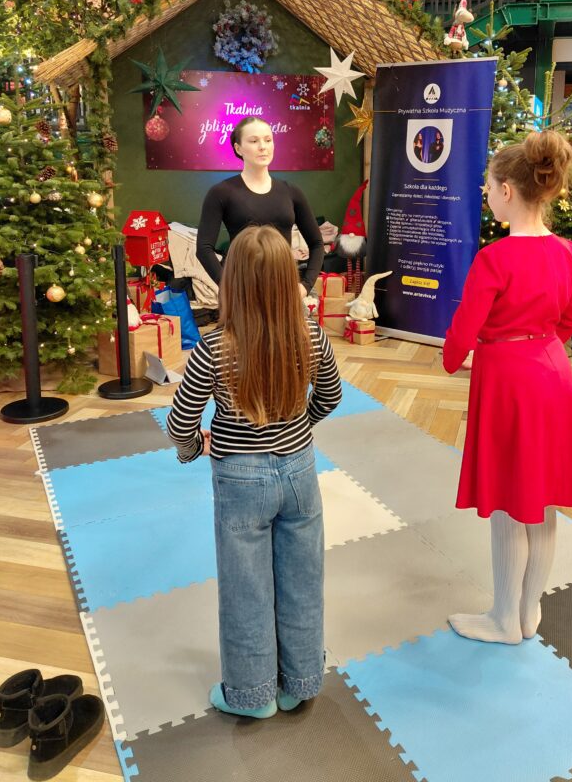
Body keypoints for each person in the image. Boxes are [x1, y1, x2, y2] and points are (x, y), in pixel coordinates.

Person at [167, 226, 342, 718]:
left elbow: (180, 423)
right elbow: (330, 396)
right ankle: (298, 684)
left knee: (245, 589)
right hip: (300, 470)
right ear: (290, 279)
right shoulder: (311, 335)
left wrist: (192, 449)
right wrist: (298, 427)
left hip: (239, 479)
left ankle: (251, 695)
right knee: (303, 580)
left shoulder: (214, 348)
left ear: (232, 283)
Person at [442, 130, 572, 644]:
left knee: (510, 500)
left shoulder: (496, 258)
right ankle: (529, 612)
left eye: (488, 186)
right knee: (542, 500)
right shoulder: (568, 252)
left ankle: (505, 619)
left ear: (507, 190)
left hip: (508, 383)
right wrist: (539, 345)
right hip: (554, 376)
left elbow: (463, 330)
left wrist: (454, 359)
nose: (487, 194)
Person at [196, 116, 325, 296]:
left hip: (284, 285)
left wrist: (305, 286)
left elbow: (317, 243)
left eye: (268, 140)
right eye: (254, 141)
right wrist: (226, 284)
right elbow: (203, 248)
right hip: (241, 287)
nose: (263, 146)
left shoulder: (291, 192)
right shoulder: (221, 192)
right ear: (238, 148)